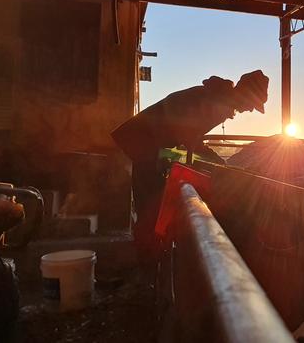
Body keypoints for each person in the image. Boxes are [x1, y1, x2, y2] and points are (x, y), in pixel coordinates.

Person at [111, 70, 269, 258]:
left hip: (145, 143)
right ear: (245, 93)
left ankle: (149, 259)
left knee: (150, 203)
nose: (250, 109)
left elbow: (192, 139)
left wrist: (218, 163)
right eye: (253, 104)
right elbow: (188, 137)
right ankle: (147, 264)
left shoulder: (217, 97)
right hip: (141, 142)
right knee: (150, 206)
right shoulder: (217, 103)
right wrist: (219, 167)